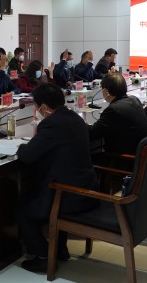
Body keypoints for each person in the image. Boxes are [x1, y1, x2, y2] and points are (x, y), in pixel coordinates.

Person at [16, 83, 98, 273]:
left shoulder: (51, 124)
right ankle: (60, 249)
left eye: (37, 107)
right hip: (86, 187)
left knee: (23, 211)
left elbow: (27, 156)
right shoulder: (75, 118)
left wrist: (20, 147)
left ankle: (43, 256)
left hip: (68, 195)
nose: (37, 111)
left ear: (44, 107)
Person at [89, 73, 147, 155]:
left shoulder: (114, 110)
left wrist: (79, 123)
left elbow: (93, 133)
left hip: (123, 158)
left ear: (106, 91)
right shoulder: (135, 99)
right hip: (139, 153)